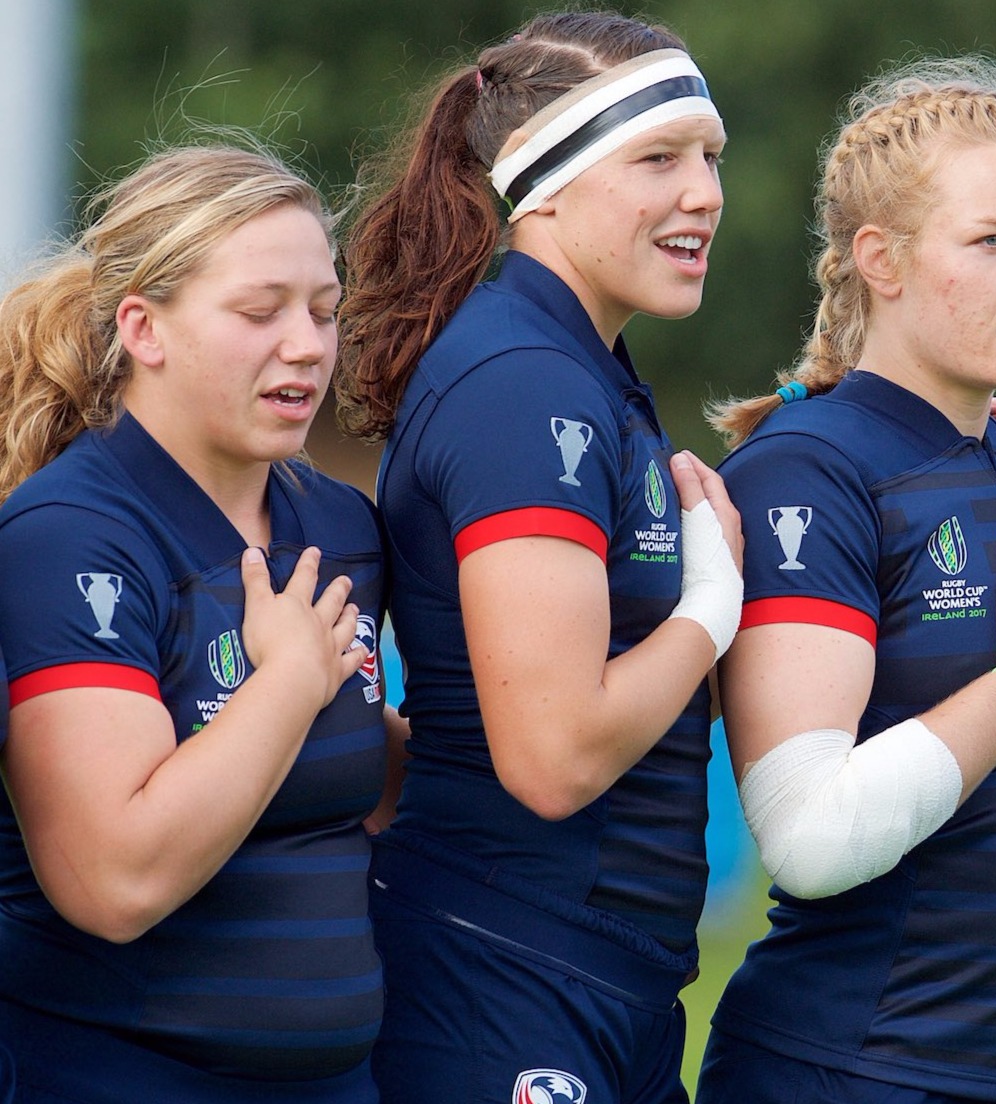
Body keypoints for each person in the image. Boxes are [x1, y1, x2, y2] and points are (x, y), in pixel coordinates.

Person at [334, 12, 746, 1103]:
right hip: (503, 971)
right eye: (659, 157)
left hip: (599, 979)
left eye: (710, 156)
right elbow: (552, 757)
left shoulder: (585, 367)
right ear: (545, 180)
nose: (703, 192)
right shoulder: (524, 379)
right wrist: (712, 605)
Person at [695, 57, 996, 1104]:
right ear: (878, 257)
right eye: (992, 241)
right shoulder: (808, 468)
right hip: (852, 1065)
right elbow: (809, 837)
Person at [0, 145, 383, 1101]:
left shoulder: (338, 524)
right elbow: (114, 880)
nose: (306, 344)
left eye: (324, 311)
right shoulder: (68, 536)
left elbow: (341, 792)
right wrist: (289, 686)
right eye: (260, 313)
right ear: (143, 329)